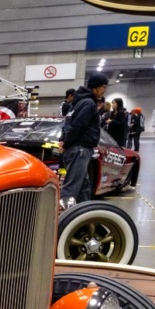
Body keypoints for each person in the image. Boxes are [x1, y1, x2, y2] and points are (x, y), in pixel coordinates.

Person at [58, 73, 107, 209]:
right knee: (71, 188)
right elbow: (77, 126)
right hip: (79, 149)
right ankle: (63, 218)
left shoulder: (77, 103)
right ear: (95, 87)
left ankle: (85, 212)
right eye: (103, 87)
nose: (104, 90)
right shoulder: (88, 104)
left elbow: (67, 124)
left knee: (83, 187)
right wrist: (66, 142)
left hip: (76, 149)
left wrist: (63, 140)